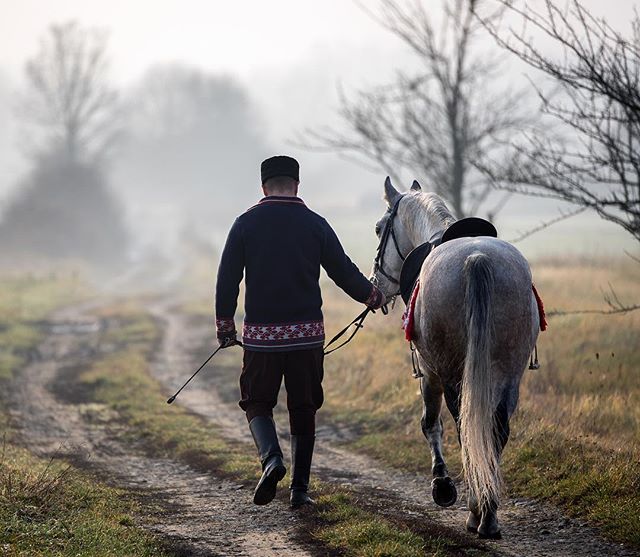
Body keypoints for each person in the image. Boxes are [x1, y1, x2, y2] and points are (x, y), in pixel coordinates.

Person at [215, 155, 385, 508]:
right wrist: (372, 296)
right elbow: (343, 270)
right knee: (303, 406)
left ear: (263, 187)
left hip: (262, 338)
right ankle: (299, 491)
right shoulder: (315, 224)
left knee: (257, 401)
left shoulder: (245, 224)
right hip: (307, 336)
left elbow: (227, 277)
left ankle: (272, 459)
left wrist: (226, 326)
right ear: (296, 184)